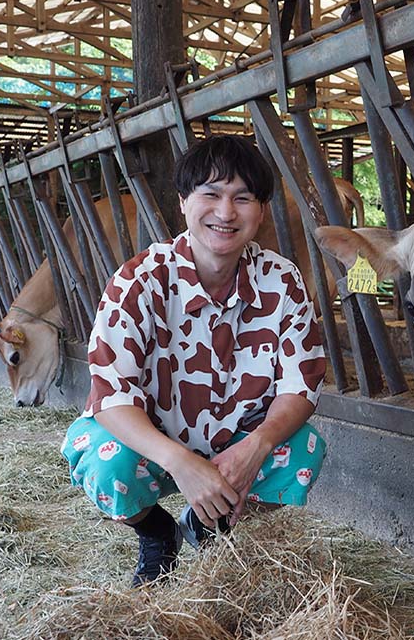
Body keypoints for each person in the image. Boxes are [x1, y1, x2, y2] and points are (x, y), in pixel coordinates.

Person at [61, 134, 328, 586]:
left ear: (260, 211)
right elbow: (110, 396)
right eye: (211, 194)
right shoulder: (139, 280)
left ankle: (208, 523)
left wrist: (256, 446)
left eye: (242, 198)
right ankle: (156, 531)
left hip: (235, 440)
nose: (226, 213)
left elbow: (300, 388)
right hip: (153, 440)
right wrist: (183, 464)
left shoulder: (283, 281)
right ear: (183, 202)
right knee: (107, 465)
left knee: (302, 450)